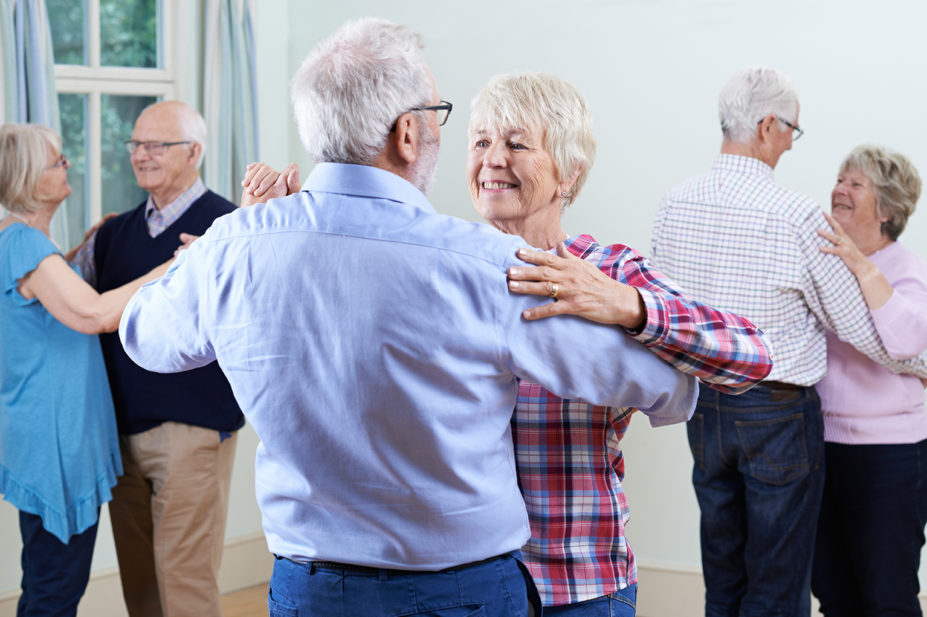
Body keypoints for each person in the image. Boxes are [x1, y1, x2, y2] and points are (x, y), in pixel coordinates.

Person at [118, 18, 699, 617]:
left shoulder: (236, 243)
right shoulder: (483, 266)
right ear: (406, 134)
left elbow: (144, 337)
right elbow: (666, 387)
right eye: (439, 116)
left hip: (308, 591)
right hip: (460, 595)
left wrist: (235, 241)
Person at [462, 72, 771, 615]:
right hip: (469, 585)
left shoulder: (608, 270)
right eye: (481, 141)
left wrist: (627, 305)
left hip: (580, 582)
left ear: (569, 172)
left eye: (516, 143)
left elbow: (750, 355)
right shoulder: (450, 269)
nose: (492, 158)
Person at [650, 66, 927, 617]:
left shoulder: (674, 202)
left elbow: (662, 306)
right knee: (779, 582)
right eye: (792, 132)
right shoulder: (794, 215)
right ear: (769, 125)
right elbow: (859, 329)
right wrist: (919, 361)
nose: (791, 146)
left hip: (704, 406)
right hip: (775, 413)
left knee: (724, 570)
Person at [70, 101, 244, 617]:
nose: (141, 155)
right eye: (136, 144)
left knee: (185, 584)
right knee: (140, 587)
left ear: (194, 152)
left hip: (191, 432)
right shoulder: (113, 232)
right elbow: (67, 300)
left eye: (155, 145)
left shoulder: (227, 227)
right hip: (120, 435)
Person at [0, 124, 168, 617]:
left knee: (47, 580)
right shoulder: (28, 246)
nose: (66, 165)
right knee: (56, 589)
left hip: (45, 432)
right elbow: (93, 314)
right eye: (56, 161)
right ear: (32, 180)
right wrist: (174, 265)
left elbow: (42, 302)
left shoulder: (20, 243)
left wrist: (81, 248)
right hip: (57, 442)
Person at [811, 146, 927, 617]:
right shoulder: (823, 261)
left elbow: (904, 341)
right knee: (834, 594)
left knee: (886, 598)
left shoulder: (906, 268)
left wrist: (860, 264)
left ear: (887, 210)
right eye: (840, 178)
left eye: (855, 184)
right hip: (821, 447)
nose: (840, 188)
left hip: (890, 456)